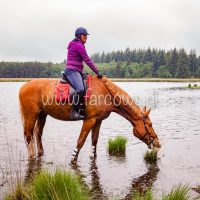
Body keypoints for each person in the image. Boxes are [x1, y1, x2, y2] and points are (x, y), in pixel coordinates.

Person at [64, 27, 102, 120]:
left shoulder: (78, 44)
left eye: (86, 35)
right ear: (79, 35)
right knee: (80, 89)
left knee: (86, 85)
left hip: (77, 70)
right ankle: (74, 112)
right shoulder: (78, 45)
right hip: (72, 71)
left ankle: (82, 108)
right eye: (84, 35)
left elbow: (80, 62)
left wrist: (82, 72)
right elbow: (87, 60)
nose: (86, 37)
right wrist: (97, 71)